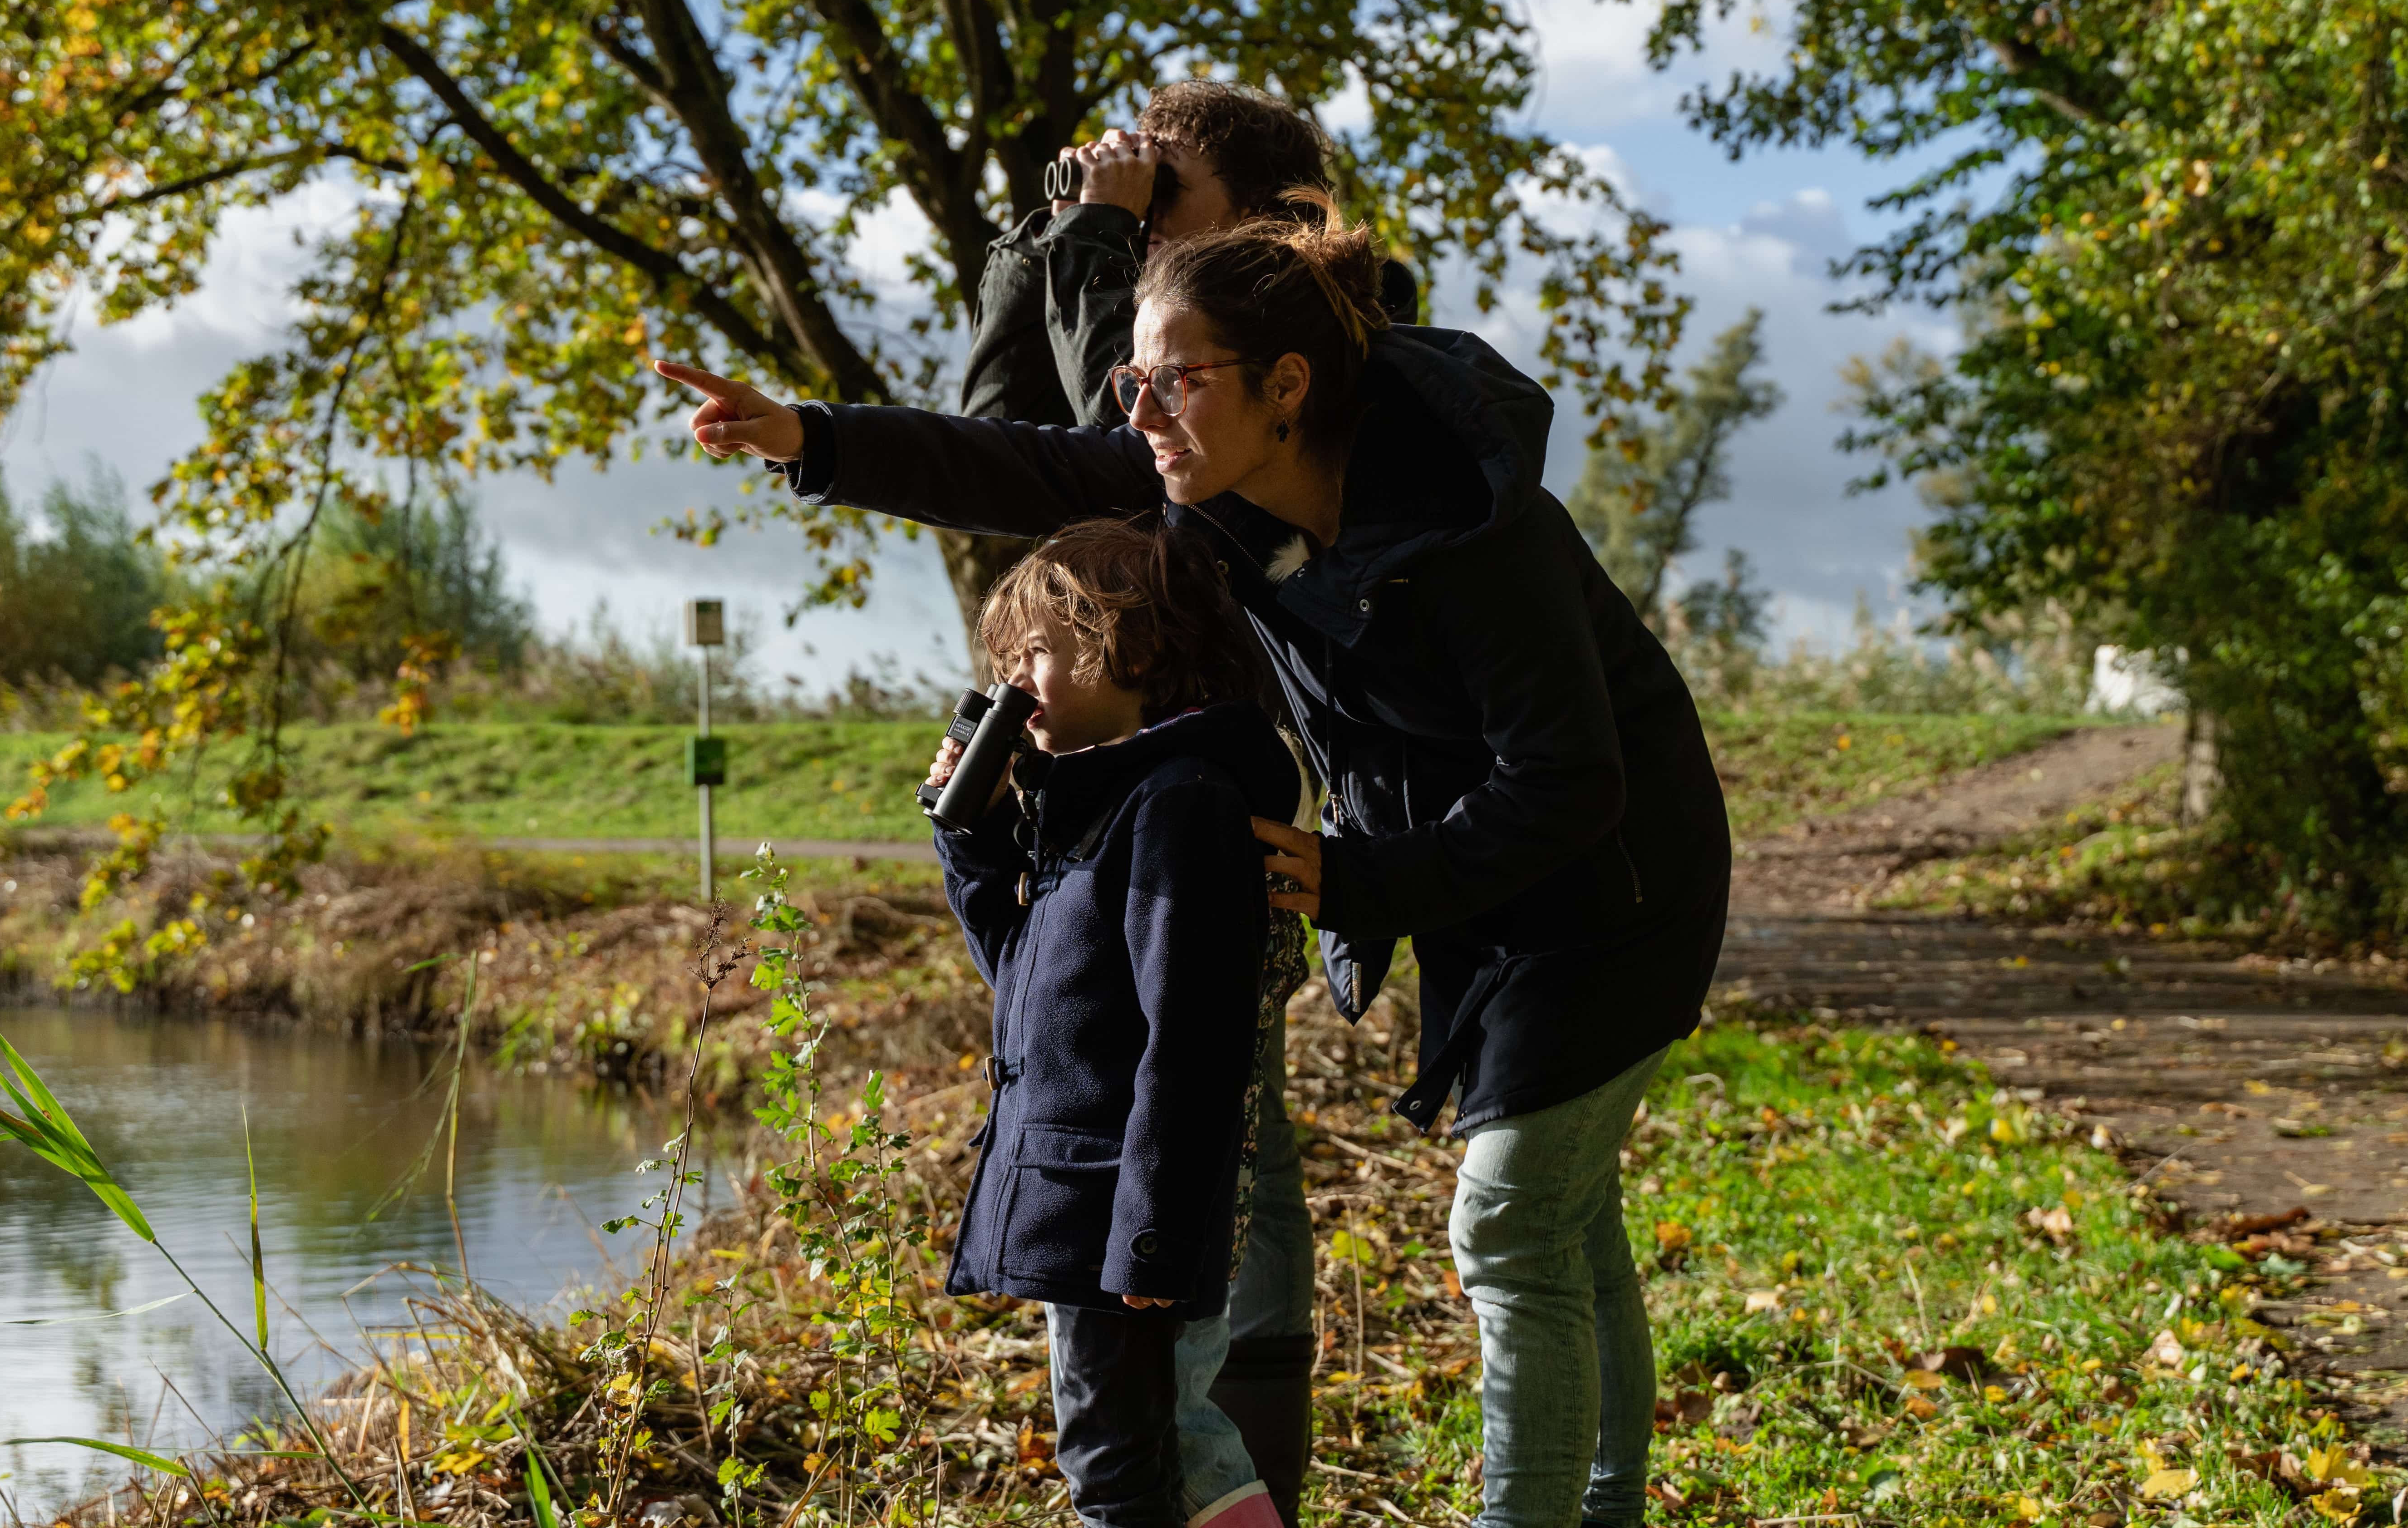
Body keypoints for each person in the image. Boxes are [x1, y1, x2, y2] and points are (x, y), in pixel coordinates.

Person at [653, 209, 1731, 1528]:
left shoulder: (1468, 525)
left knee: (1509, 1225)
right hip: (1489, 888)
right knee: (1564, 1221)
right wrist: (810, 437)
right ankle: (1606, 1503)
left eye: (1178, 379)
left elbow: (1570, 780)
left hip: (1619, 887)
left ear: (1287, 386)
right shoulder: (1215, 497)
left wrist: (1361, 880)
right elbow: (1027, 465)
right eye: (1133, 381)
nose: (1144, 413)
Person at [929, 519, 1304, 1528]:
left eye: (1033, 652)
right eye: (1004, 662)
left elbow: (1193, 1039)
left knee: (1120, 1468)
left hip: (1122, 1215)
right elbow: (1024, 982)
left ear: (1130, 647)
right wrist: (973, 838)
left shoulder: (1179, 803)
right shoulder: (1099, 806)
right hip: (1089, 1205)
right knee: (1167, 1451)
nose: (1012, 682)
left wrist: (1151, 1233)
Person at [961, 79, 1420, 431]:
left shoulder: (1319, 333)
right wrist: (1052, 244)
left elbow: (1130, 434)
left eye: (1164, 187)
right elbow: (990, 467)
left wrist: (1091, 233)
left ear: (1257, 214)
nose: (1143, 210)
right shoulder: (1127, 300)